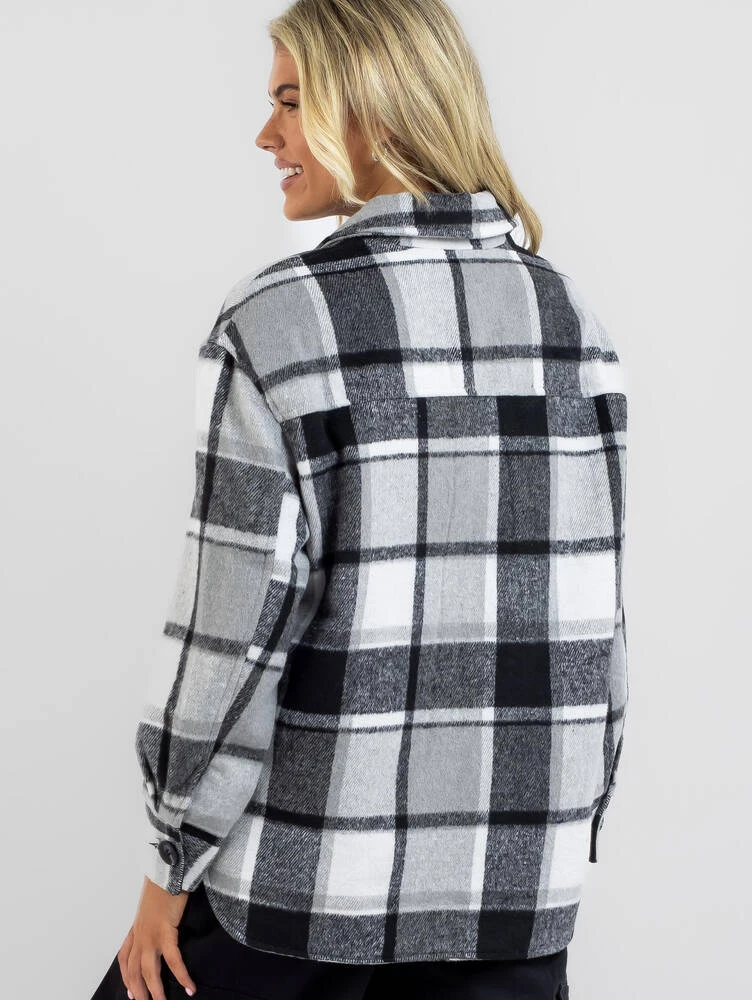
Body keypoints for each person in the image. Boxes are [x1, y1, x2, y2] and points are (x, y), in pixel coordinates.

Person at [91, 1, 628, 997]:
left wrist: (170, 858)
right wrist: (565, 824)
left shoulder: (278, 320)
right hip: (508, 904)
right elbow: (593, 623)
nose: (267, 134)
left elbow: (232, 638)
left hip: (301, 899)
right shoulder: (570, 320)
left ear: (373, 110)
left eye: (291, 101)